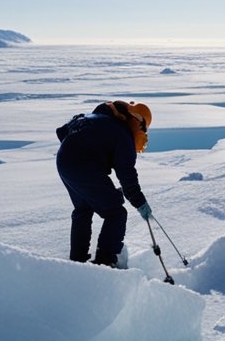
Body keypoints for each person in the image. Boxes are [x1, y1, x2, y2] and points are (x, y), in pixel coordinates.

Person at [56, 100, 153, 267]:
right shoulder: (122, 134)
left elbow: (62, 132)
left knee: (83, 209)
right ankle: (104, 264)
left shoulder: (96, 119)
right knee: (116, 213)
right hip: (83, 165)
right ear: (138, 124)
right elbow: (127, 176)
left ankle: (76, 262)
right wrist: (140, 203)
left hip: (64, 160)